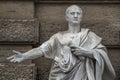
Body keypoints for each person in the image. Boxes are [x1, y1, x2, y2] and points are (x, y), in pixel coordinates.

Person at [7, 5, 116, 80]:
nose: (75, 15)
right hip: (59, 75)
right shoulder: (58, 37)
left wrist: (88, 53)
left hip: (82, 74)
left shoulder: (90, 36)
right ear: (66, 17)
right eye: (72, 13)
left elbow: (102, 53)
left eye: (78, 13)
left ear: (81, 17)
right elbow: (41, 50)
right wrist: (24, 56)